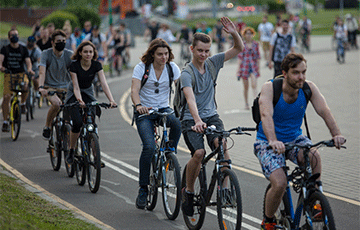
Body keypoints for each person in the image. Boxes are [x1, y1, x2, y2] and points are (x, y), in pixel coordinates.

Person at [254, 53, 346, 230]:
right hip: (268, 142)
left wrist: (336, 134)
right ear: (285, 73)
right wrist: (273, 140)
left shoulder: (308, 88)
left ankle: (314, 200)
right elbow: (266, 114)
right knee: (280, 183)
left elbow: (324, 111)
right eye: (296, 73)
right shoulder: (271, 88)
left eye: (304, 72)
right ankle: (268, 220)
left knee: (314, 155)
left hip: (295, 139)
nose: (301, 77)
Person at [180, 17, 244, 217]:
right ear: (192, 49)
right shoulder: (186, 73)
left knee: (222, 146)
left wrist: (233, 32)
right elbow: (190, 99)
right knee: (198, 154)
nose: (204, 54)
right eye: (200, 50)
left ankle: (225, 190)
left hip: (211, 115)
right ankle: (189, 192)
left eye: (207, 51)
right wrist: (197, 121)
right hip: (190, 119)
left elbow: (238, 49)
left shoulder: (213, 62)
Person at [130, 38, 181, 210]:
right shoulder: (141, 68)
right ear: (152, 54)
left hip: (164, 109)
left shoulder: (172, 68)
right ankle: (143, 189)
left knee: (177, 123)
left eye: (166, 54)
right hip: (145, 113)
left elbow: (182, 89)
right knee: (149, 147)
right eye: (160, 54)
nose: (163, 57)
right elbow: (134, 90)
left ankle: (169, 153)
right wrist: (139, 106)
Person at [65, 41, 117, 165]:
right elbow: (76, 87)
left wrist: (111, 100)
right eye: (85, 52)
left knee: (91, 125)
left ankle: (96, 157)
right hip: (74, 95)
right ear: (80, 53)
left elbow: (103, 83)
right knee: (77, 124)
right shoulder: (74, 66)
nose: (88, 54)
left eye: (90, 52)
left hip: (88, 94)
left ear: (94, 53)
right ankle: (71, 150)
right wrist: (79, 100)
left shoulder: (96, 65)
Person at [38, 29, 73, 140]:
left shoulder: (69, 55)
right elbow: (42, 71)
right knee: (57, 104)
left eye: (64, 40)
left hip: (66, 88)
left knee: (72, 108)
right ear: (52, 42)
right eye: (58, 41)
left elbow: (74, 73)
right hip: (50, 87)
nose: (61, 43)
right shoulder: (46, 54)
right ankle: (47, 126)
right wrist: (41, 87)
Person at [0, 29, 35, 132]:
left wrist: (29, 69)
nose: (14, 36)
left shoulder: (23, 49)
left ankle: (23, 103)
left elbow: (28, 62)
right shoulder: (5, 49)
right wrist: (1, 67)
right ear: (9, 37)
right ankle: (6, 121)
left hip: (20, 74)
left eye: (16, 34)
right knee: (6, 97)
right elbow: (0, 61)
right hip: (9, 74)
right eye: (12, 35)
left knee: (25, 85)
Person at [237, 27, 260, 110]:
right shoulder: (242, 45)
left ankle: (256, 101)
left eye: (250, 33)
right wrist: (238, 70)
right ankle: (246, 103)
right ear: (244, 35)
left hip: (253, 67)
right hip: (244, 67)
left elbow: (258, 57)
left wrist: (258, 68)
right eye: (247, 33)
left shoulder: (255, 44)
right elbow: (240, 57)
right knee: (246, 87)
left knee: (254, 85)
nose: (249, 35)